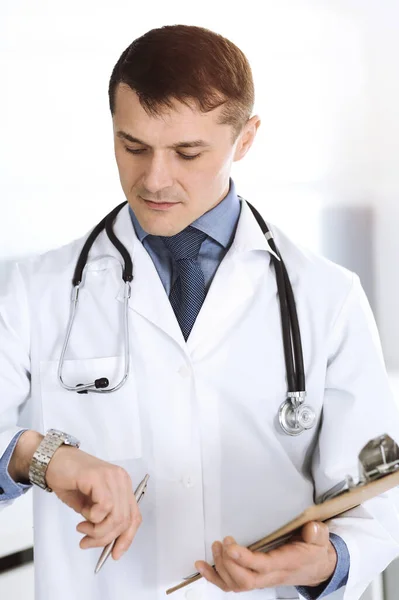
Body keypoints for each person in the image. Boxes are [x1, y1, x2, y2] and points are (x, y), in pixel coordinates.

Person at [1, 23, 399, 600]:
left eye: (188, 152)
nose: (154, 179)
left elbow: (379, 493)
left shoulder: (326, 297)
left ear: (246, 138)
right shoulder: (38, 290)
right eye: (132, 146)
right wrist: (45, 457)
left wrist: (322, 562)